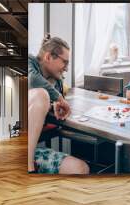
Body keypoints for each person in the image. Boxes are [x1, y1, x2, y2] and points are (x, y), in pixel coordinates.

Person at [28, 35, 89, 174]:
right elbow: (31, 80)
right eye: (65, 62)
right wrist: (59, 98)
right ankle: (29, 166)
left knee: (81, 169)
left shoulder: (57, 81)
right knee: (41, 94)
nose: (66, 68)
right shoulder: (29, 62)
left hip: (37, 153)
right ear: (48, 57)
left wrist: (51, 104)